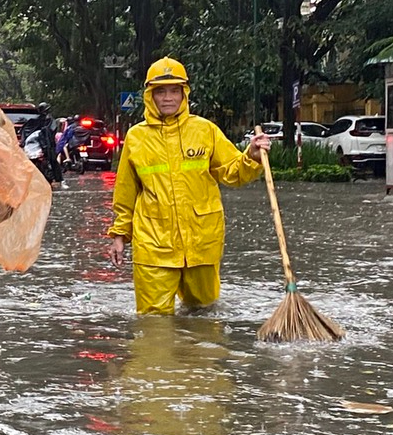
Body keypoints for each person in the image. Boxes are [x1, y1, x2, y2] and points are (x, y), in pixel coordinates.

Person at [106, 58, 272, 315]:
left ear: (184, 94)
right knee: (153, 324)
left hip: (202, 240)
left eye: (175, 91)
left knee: (205, 315)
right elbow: (126, 191)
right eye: (161, 91)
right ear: (150, 96)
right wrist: (120, 235)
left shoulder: (205, 130)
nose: (168, 98)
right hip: (153, 243)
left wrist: (251, 155)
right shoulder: (136, 137)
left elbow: (232, 172)